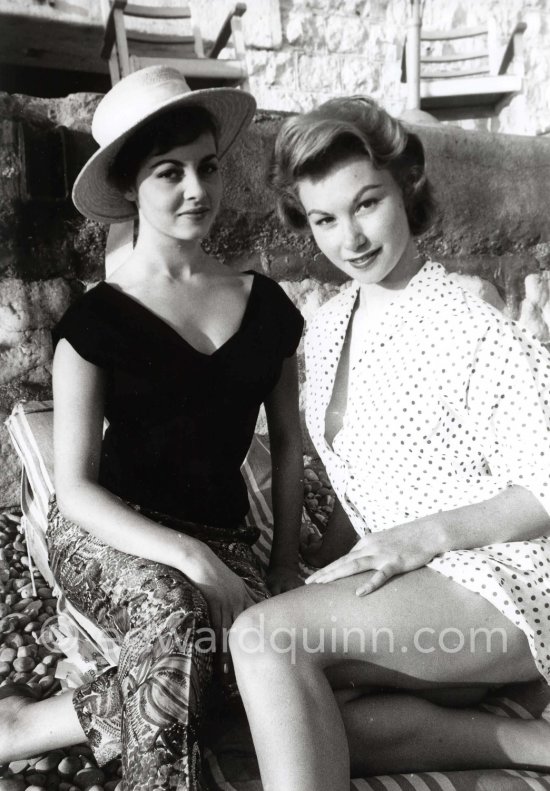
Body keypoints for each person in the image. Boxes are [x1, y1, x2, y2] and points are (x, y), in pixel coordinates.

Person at [229, 95, 550, 790]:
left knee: (265, 637)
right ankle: (533, 739)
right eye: (324, 218)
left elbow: (546, 484)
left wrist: (422, 536)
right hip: (419, 585)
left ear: (406, 186)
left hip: (502, 576)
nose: (352, 237)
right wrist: (313, 561)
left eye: (366, 202)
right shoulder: (331, 321)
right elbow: (369, 475)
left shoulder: (469, 322)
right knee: (276, 712)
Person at [0, 66, 304, 790]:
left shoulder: (265, 306)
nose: (196, 189)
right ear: (132, 189)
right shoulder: (94, 322)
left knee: (254, 664)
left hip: (227, 536)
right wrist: (194, 559)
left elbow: (290, 442)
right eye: (170, 173)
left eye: (207, 168)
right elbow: (72, 487)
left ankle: (20, 728)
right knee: (173, 617)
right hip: (111, 530)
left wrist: (285, 566)